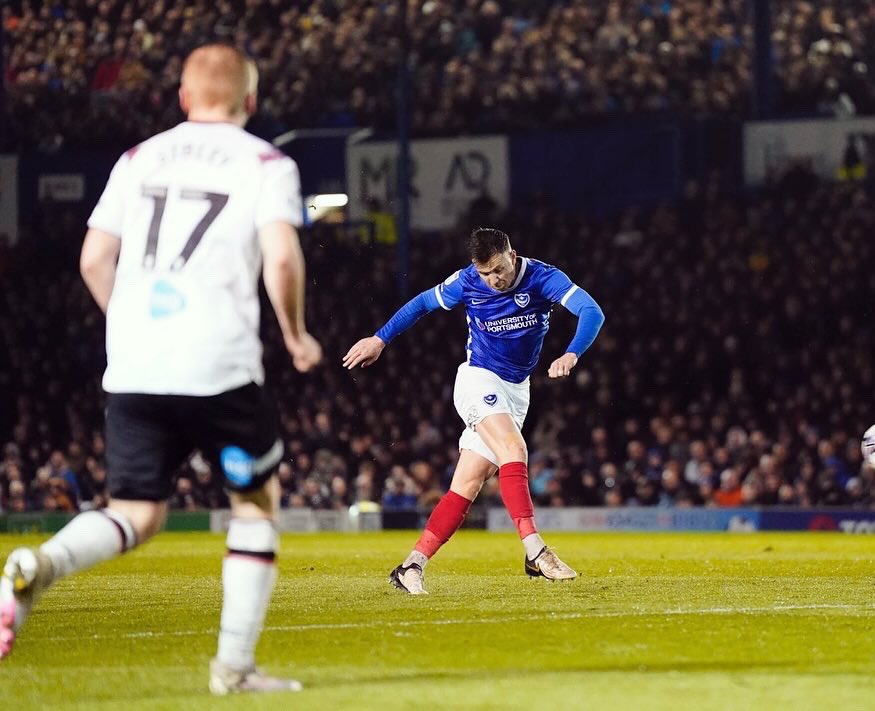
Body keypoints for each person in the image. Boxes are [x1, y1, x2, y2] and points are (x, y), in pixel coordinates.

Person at [0, 44, 322, 695]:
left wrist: (129, 323)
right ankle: (233, 667)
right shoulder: (266, 161)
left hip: (135, 366)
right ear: (250, 101)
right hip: (219, 366)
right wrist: (295, 332)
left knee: (135, 511)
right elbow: (281, 258)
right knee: (255, 504)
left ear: (182, 97)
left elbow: (94, 258)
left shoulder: (136, 158)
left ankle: (40, 562)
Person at [343, 227, 605, 594]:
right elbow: (421, 304)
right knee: (514, 451)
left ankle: (410, 566)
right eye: (485, 273)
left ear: (512, 257)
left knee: (467, 484)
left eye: (498, 269)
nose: (493, 279)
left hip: (516, 391)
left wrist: (572, 352)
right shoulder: (466, 282)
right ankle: (535, 550)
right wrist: (379, 338)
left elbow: (591, 311)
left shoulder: (543, 277)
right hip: (479, 379)